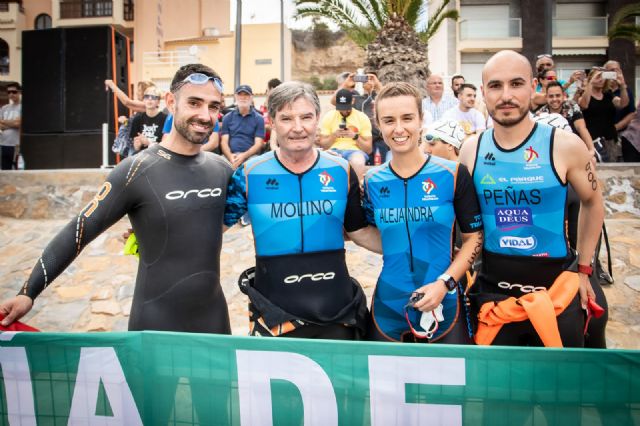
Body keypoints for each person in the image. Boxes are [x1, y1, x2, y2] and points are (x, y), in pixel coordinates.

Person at [0, 64, 233, 334]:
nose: (205, 115)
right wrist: (28, 292)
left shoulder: (222, 169)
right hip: (155, 323)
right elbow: (78, 230)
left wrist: (159, 225)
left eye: (213, 106)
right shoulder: (136, 170)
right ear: (171, 102)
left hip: (215, 322)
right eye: (194, 103)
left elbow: (228, 217)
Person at [458, 50, 605, 347]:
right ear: (484, 91)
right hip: (493, 291)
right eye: (496, 86)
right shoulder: (471, 149)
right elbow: (463, 222)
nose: (506, 95)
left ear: (534, 86)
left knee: (565, 374)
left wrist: (585, 269)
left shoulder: (565, 145)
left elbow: (593, 201)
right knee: (494, 376)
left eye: (516, 84)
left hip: (557, 290)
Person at [224, 81, 381, 340]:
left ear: (318, 119)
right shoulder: (249, 173)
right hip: (274, 312)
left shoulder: (341, 170)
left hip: (335, 309)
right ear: (272, 122)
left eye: (306, 117)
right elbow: (212, 230)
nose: (298, 127)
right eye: (286, 118)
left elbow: (360, 232)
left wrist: (417, 248)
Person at [363, 83, 483, 343]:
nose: (399, 129)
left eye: (407, 118)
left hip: (444, 300)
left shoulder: (453, 174)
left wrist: (445, 283)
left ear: (421, 120)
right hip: (389, 304)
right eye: (389, 120)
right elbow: (369, 233)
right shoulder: (371, 181)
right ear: (379, 125)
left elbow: (474, 239)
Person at [578, 66, 629, 162]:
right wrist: (591, 82)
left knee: (613, 166)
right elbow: (584, 105)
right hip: (592, 139)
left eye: (603, 76)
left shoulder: (608, 95)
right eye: (598, 77)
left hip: (609, 138)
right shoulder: (585, 95)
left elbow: (623, 104)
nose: (601, 79)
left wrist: (622, 85)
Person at [319, 88, 373, 178]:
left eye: (346, 108)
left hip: (355, 151)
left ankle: (357, 186)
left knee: (358, 162)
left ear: (353, 101)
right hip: (334, 150)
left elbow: (368, 149)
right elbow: (323, 145)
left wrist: (355, 136)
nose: (344, 111)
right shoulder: (329, 116)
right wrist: (334, 135)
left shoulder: (362, 117)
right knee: (328, 161)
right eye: (341, 108)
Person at [536, 81, 595, 155]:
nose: (554, 99)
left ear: (563, 96)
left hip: (574, 149)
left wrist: (591, 150)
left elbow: (581, 128)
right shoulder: (541, 113)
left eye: (558, 95)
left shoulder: (572, 106)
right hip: (552, 153)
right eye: (551, 96)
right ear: (546, 97)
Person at [220, 84, 265, 169]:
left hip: (251, 156)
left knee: (256, 166)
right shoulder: (227, 117)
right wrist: (230, 157)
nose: (243, 97)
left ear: (251, 97)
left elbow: (258, 144)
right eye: (240, 95)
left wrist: (243, 156)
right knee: (218, 165)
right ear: (235, 96)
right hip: (230, 155)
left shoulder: (259, 118)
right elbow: (224, 142)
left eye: (246, 95)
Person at [604, 60, 637, 162]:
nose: (614, 73)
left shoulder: (626, 90)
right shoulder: (602, 90)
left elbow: (631, 112)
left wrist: (617, 127)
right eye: (611, 70)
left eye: (616, 70)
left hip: (622, 133)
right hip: (603, 134)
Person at [128, 86, 167, 153]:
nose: (150, 99)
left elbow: (167, 146)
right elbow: (134, 145)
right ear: (143, 100)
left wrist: (149, 143)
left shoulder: (165, 119)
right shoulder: (137, 119)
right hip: (141, 155)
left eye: (153, 97)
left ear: (158, 102)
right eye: (147, 96)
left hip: (158, 155)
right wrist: (137, 146)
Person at [0, 82, 21, 170]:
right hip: (3, 144)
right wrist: (13, 123)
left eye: (14, 92)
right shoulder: (4, 108)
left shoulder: (23, 107)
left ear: (19, 92)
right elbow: (0, 126)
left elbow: (18, 124)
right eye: (9, 92)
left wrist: (4, 122)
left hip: (16, 145)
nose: (11, 94)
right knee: (5, 172)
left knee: (17, 171)